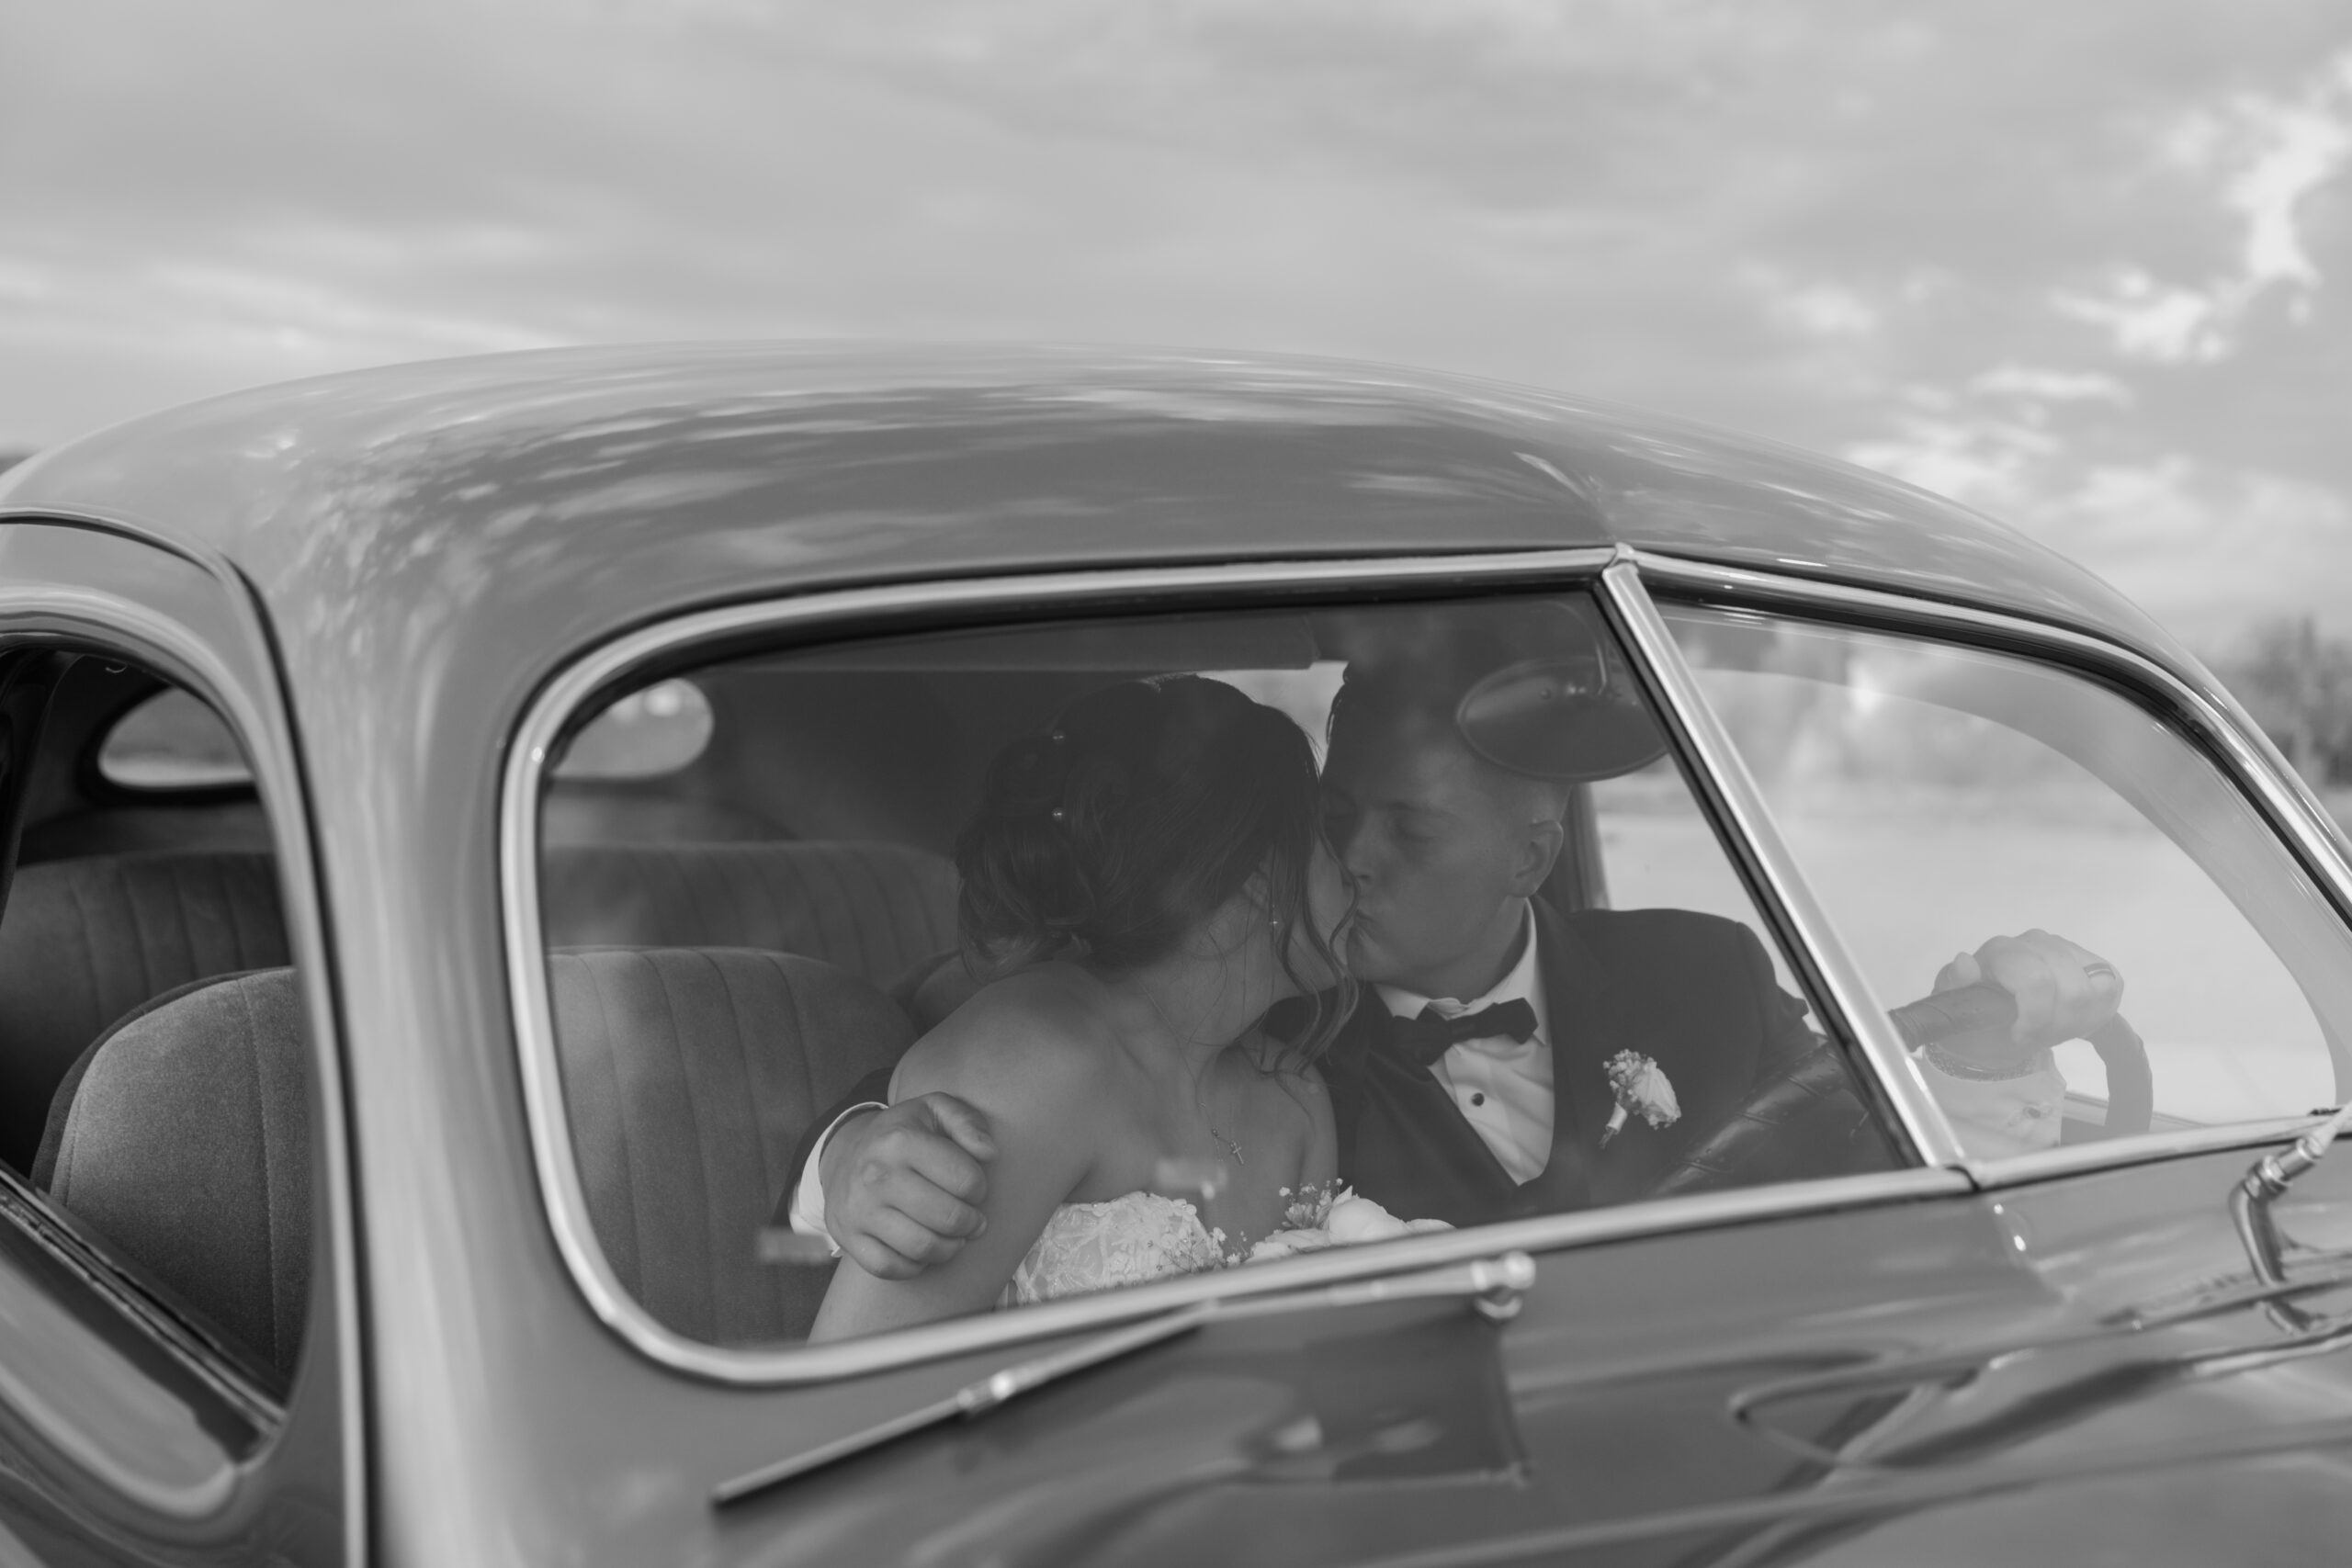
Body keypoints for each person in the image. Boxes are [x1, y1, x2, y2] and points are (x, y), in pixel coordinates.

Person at [789, 627, 2120, 1281]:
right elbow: (980, 1052)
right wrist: (852, 1159)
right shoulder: (1252, 1015)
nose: (1353, 858)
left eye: (1409, 829)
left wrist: (1987, 1049)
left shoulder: (1702, 975)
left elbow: (1877, 1150)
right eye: (1334, 818)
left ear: (1532, 855)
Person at [807, 675, 1356, 1340]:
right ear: (1260, 878)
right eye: (1326, 836)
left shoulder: (1296, 1100)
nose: (1353, 869)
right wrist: (842, 1148)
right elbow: (855, 1376)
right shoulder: (1038, 1056)